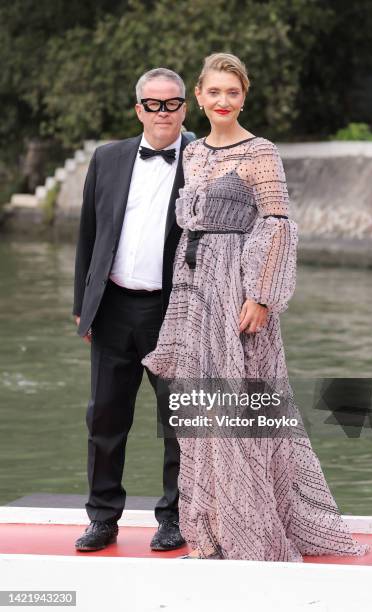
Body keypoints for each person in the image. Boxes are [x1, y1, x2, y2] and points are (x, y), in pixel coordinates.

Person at [142, 53, 371, 561]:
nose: (223, 101)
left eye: (233, 92)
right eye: (214, 92)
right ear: (198, 98)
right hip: (194, 285)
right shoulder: (194, 154)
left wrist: (260, 295)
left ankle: (255, 529)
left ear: (243, 97)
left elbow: (277, 223)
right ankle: (211, 527)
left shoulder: (261, 151)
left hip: (237, 287)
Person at [73, 68, 192, 552]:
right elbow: (88, 235)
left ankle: (175, 518)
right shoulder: (107, 158)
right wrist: (83, 306)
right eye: (152, 103)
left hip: (176, 309)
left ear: (186, 107)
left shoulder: (204, 160)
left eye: (172, 103)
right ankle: (103, 518)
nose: (162, 112)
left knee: (179, 422)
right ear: (138, 108)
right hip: (113, 307)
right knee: (104, 417)